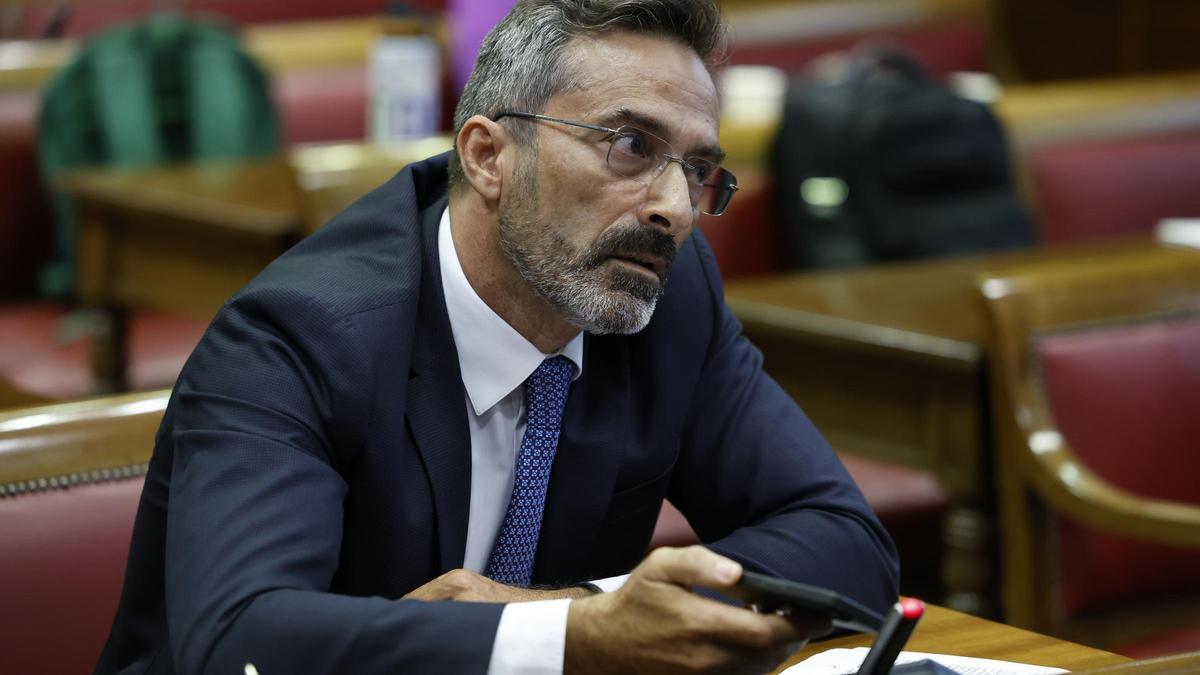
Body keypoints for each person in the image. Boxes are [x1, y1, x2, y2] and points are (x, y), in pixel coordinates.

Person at [96, 1, 899, 673]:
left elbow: (848, 544)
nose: (675, 210)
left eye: (696, 169)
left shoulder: (666, 298)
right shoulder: (299, 336)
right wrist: (579, 638)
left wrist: (579, 616)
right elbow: (242, 641)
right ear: (488, 154)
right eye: (632, 147)